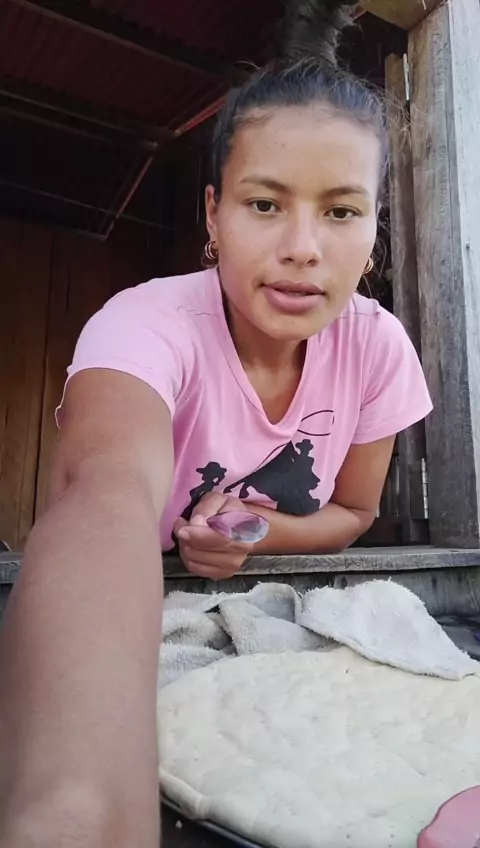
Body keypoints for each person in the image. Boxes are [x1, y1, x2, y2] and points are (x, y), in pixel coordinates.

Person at [0, 0, 433, 845]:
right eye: (265, 205)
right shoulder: (145, 324)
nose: (303, 246)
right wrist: (74, 808)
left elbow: (353, 513)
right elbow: (103, 492)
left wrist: (251, 537)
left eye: (342, 211)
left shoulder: (379, 348)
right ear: (212, 213)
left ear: (375, 226)